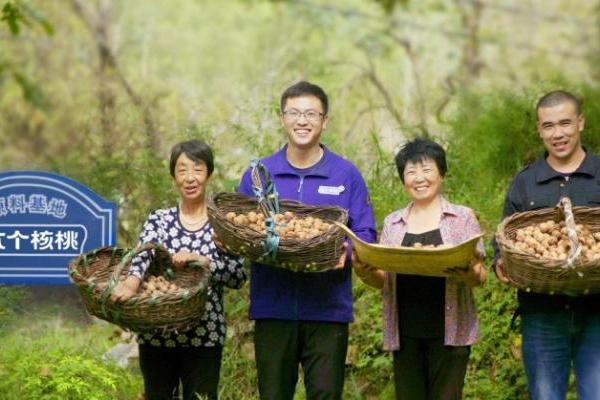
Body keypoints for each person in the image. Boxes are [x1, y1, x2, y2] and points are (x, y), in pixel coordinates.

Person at [237, 81, 377, 400]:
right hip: (273, 308)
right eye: (295, 113)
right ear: (282, 118)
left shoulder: (346, 175)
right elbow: (239, 226)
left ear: (325, 121)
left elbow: (366, 233)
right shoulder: (259, 175)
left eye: (311, 113)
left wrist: (349, 252)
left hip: (327, 310)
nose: (303, 121)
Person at [111, 140, 247, 400]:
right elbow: (144, 254)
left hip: (205, 336)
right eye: (182, 170)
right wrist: (130, 284)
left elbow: (238, 275)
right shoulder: (159, 220)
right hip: (156, 336)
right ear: (173, 176)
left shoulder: (222, 224)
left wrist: (205, 262)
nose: (190, 177)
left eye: (197, 169)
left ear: (209, 173)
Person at [353, 138, 486, 400]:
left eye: (427, 170)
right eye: (411, 172)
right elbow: (385, 280)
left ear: (442, 173)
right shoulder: (393, 222)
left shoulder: (462, 218)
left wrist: (469, 272)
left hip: (451, 333)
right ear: (403, 179)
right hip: (405, 333)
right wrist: (365, 271)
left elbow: (480, 278)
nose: (419, 178)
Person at [493, 90, 600, 400]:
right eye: (549, 126)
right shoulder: (525, 182)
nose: (558, 133)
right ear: (539, 130)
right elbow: (504, 238)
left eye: (565, 123)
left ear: (580, 122)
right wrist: (501, 261)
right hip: (542, 314)